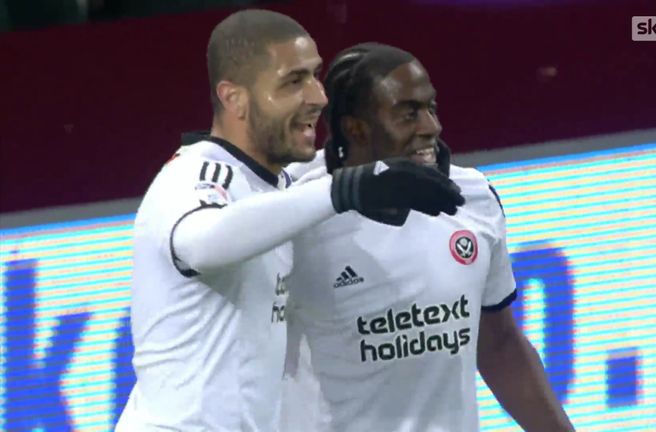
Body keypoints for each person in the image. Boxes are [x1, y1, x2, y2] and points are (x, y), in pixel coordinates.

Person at [115, 11, 464, 431]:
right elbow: (200, 243)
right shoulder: (195, 176)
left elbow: (315, 186)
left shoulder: (275, 185)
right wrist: (346, 189)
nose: (318, 96)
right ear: (234, 98)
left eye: (315, 76)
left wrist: (404, 158)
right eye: (293, 82)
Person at [281, 43, 575, 432]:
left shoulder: (472, 196)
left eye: (430, 108)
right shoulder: (292, 211)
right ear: (356, 128)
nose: (431, 127)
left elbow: (498, 344)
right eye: (408, 114)